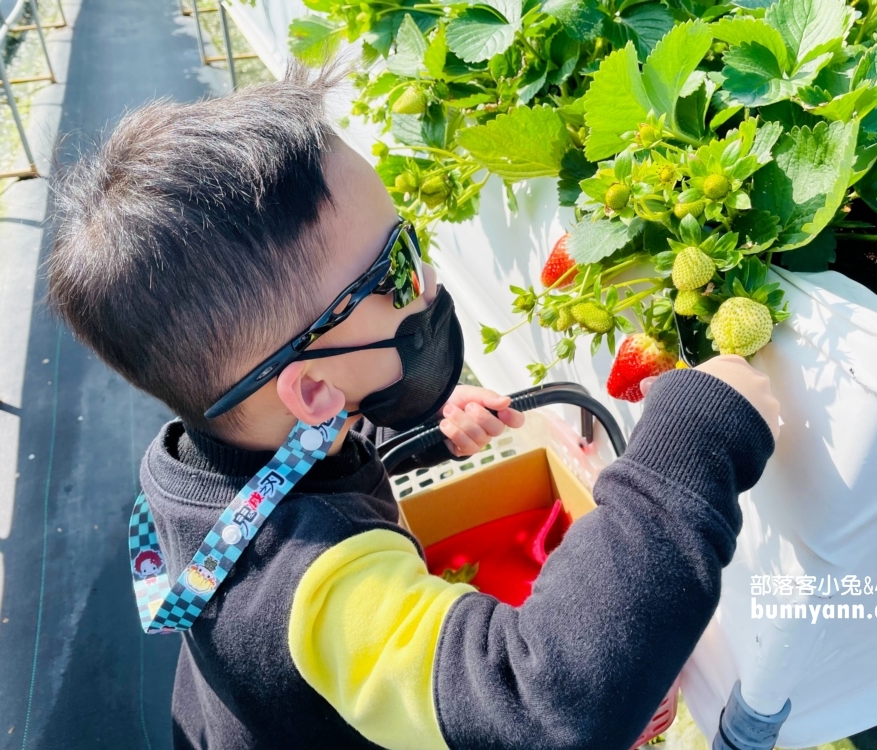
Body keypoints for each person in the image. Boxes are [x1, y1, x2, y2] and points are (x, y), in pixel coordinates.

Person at [46, 62, 780, 750]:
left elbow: (299, 460)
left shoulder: (192, 458)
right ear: (310, 388)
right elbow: (539, 699)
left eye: (414, 242)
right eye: (395, 268)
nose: (427, 280)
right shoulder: (313, 588)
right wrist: (697, 436)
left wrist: (408, 425)